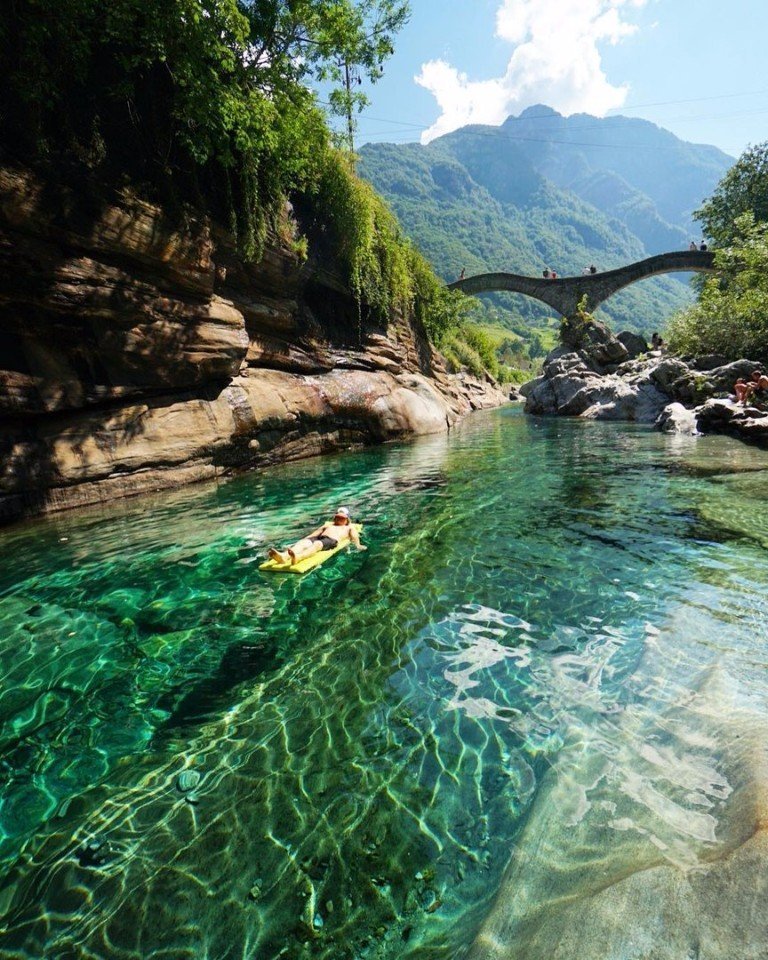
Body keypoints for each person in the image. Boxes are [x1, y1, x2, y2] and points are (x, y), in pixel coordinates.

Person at [267, 507, 365, 565]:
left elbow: (355, 536)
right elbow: (315, 534)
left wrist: (358, 545)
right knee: (304, 542)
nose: (339, 519)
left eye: (342, 518)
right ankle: (284, 556)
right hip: (320, 538)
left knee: (317, 544)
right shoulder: (327, 525)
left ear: (347, 519)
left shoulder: (349, 527)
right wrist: (305, 540)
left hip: (332, 540)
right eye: (337, 517)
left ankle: (298, 558)